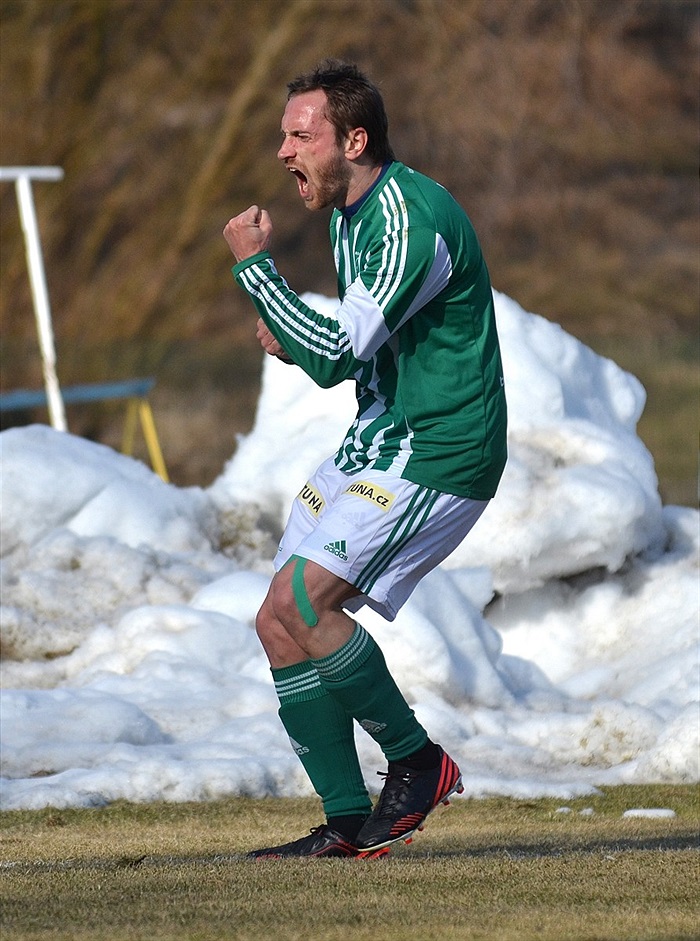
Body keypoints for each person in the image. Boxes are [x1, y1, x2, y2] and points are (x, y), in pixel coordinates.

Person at [223, 59, 507, 859]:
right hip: (379, 440)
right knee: (280, 619)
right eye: (283, 134)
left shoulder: (410, 217)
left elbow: (338, 347)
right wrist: (293, 338)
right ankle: (347, 821)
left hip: (439, 449)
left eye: (299, 133)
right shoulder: (354, 214)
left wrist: (257, 272)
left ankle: (418, 762)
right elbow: (350, 353)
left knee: (308, 604)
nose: (283, 151)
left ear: (354, 138)